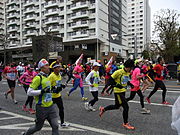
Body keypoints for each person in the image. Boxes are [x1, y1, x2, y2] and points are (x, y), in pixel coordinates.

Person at [22, 59, 59, 135]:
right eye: (46, 66)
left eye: (48, 65)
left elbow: (48, 90)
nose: (49, 67)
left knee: (55, 126)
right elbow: (29, 92)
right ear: (41, 68)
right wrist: (41, 91)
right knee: (38, 127)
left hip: (50, 106)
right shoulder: (38, 78)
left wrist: (56, 89)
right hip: (41, 108)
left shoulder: (47, 77)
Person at [99, 59, 135, 130]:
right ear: (127, 67)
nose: (131, 70)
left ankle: (104, 109)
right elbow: (110, 81)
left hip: (123, 91)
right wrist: (116, 85)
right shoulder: (118, 72)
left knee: (116, 106)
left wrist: (130, 84)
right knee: (126, 107)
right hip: (118, 92)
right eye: (131, 68)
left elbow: (125, 80)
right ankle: (125, 123)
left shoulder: (127, 73)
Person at [48, 62, 70, 128]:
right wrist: (53, 89)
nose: (59, 69)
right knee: (47, 110)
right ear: (54, 69)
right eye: (57, 68)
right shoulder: (51, 76)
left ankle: (62, 122)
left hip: (58, 96)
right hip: (51, 96)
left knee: (61, 108)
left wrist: (61, 86)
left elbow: (58, 84)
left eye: (59, 67)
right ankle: (39, 119)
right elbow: (47, 87)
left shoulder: (59, 75)